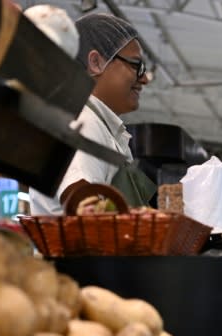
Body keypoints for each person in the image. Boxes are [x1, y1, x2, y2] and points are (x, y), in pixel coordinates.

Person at [30, 12, 154, 215]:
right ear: (96, 62)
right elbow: (80, 200)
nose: (145, 79)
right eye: (136, 65)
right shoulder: (83, 121)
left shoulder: (102, 126)